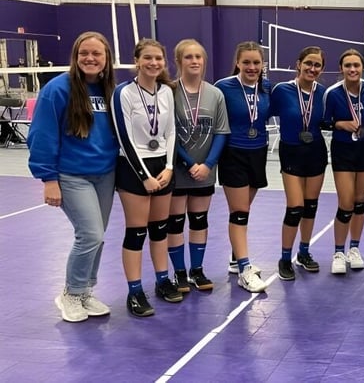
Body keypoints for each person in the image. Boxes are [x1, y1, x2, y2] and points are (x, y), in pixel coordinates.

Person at [28, 31, 117, 322]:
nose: (90, 59)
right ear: (75, 57)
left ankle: (84, 292)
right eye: (84, 54)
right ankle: (70, 293)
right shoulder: (58, 89)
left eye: (97, 54)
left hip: (104, 174)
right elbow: (41, 135)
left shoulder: (110, 89)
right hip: (70, 175)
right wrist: (48, 179)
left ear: (107, 59)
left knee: (99, 237)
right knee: (89, 234)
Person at [112, 38, 181, 317]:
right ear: (137, 61)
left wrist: (169, 167)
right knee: (136, 231)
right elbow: (124, 137)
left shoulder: (166, 91)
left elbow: (171, 132)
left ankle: (163, 280)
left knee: (160, 229)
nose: (154, 63)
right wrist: (144, 177)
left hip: (162, 167)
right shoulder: (124, 92)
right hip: (133, 167)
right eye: (148, 58)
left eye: (159, 59)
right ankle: (135, 290)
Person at [166, 39, 230, 292]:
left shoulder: (215, 94)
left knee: (199, 220)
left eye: (198, 57)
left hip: (205, 171)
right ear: (178, 61)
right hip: (178, 170)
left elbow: (221, 132)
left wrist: (208, 165)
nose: (194, 61)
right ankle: (180, 273)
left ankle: (197, 270)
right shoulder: (168, 92)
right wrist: (191, 162)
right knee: (175, 221)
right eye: (188, 57)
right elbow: (167, 133)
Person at [214, 41, 271, 293]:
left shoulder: (267, 88)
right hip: (232, 153)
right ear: (237, 62)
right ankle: (245, 268)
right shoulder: (223, 88)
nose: (251, 67)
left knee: (244, 209)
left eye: (256, 62)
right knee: (239, 212)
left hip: (258, 152)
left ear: (262, 65)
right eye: (246, 62)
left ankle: (236, 257)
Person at [271, 46, 328, 281]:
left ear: (322, 69)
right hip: (291, 151)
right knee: (295, 207)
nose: (312, 68)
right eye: (308, 63)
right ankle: (285, 258)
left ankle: (304, 252)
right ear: (298, 64)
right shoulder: (282, 90)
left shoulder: (323, 93)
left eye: (317, 65)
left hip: (315, 151)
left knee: (310, 205)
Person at [323, 49, 364, 274]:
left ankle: (354, 249)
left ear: (362, 67)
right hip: (343, 150)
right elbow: (324, 122)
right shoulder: (333, 93)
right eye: (348, 66)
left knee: (360, 201)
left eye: (356, 65)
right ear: (341, 68)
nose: (353, 69)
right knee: (346, 203)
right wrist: (340, 124)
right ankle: (338, 252)